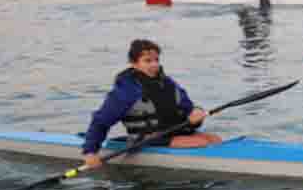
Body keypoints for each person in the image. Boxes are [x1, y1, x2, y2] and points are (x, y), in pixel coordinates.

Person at [81, 40, 222, 168]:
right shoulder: (126, 90)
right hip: (146, 138)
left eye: (156, 60)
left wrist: (197, 113)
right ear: (134, 63)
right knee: (199, 143)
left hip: (174, 131)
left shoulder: (168, 83)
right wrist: (90, 152)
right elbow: (101, 121)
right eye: (147, 61)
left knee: (214, 139)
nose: (154, 65)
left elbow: (189, 109)